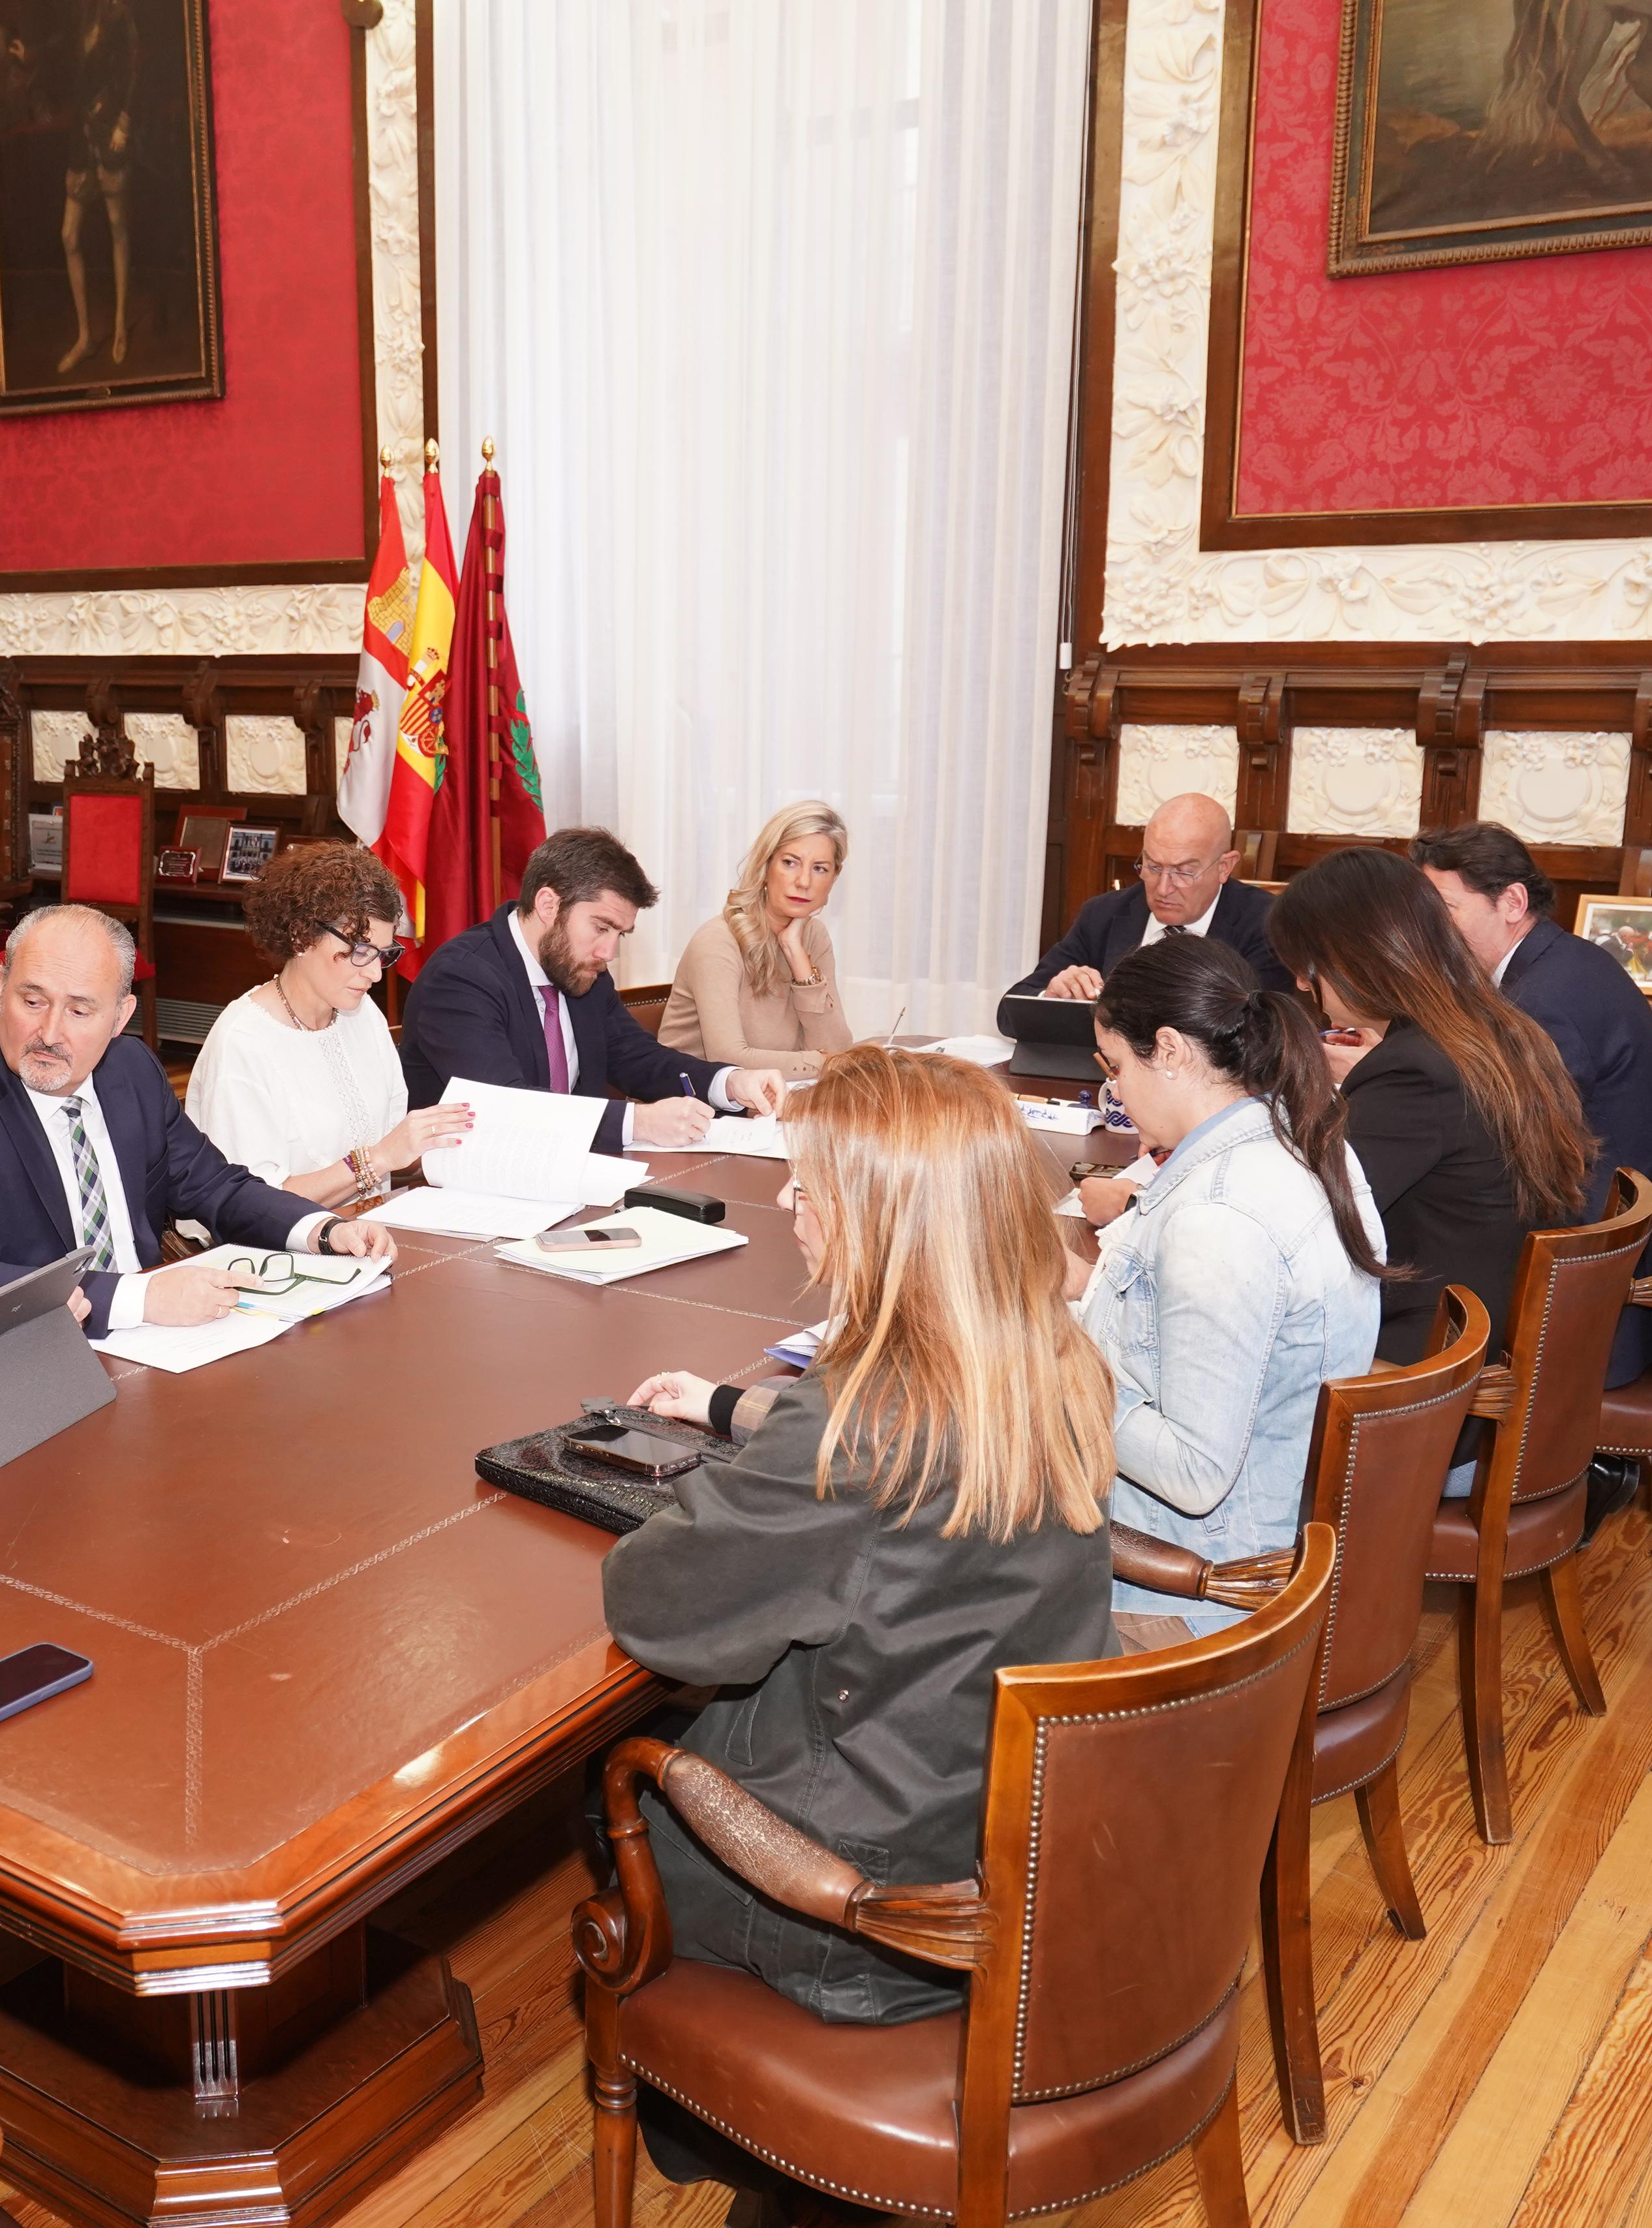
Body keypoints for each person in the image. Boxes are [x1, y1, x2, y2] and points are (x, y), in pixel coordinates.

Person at [612, 1046, 1116, 2179]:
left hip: (863, 1918)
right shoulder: (1049, 1357)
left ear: (881, 1219)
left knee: (608, 1785)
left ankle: (732, 2145)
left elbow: (656, 1606)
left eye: (809, 1187)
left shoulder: (858, 1420)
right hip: (1005, 1838)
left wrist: (722, 1489)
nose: (790, 1208)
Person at [1065, 936, 1384, 1639]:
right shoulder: (1301, 1140)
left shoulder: (1217, 1216)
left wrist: (1052, 1366)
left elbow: (1193, 1473)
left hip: (1186, 1593)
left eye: (1116, 1067)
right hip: (1264, 1543)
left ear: (1170, 1050)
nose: (1116, 1092)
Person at [0, 905, 395, 1333]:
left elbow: (216, 1186)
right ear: (0, 987)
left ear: (120, 1017)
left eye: (80, 1011)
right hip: (35, 1354)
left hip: (165, 1339)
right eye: (33, 1000)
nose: (49, 1032)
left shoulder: (130, 1070)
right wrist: (139, 1299)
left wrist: (321, 1231)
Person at [1268, 846, 1597, 1370]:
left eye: (1309, 967)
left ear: (1356, 957)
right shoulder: (1495, 1027)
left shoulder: (1417, 1071)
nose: (1304, 985)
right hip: (1483, 1319)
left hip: (1430, 1356)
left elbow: (1306, 1219)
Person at [1413, 822, 1652, 1387]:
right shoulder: (1563, 962)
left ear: (1512, 903)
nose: (1430, 931)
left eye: (1445, 910)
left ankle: (1434, 1416)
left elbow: (1509, 1139)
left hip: (1598, 1291)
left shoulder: (1541, 999)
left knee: (1420, 1237)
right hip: (1620, 1249)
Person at [400, 827, 788, 1153]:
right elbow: (506, 1107)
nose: (608, 952)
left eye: (620, 934)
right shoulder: (460, 979)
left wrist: (729, 1084)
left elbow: (638, 1059)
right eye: (601, 928)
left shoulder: (581, 968)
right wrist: (639, 1122)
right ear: (548, 905)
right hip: (468, 1185)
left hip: (571, 1173)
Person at [183, 843, 474, 1210]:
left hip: (372, 1222)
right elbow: (250, 1206)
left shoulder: (363, 1015)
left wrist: (447, 1140)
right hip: (281, 1240)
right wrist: (378, 1159)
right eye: (361, 951)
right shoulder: (243, 1042)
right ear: (301, 937)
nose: (374, 974)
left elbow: (393, 1147)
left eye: (383, 954)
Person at [1009, 790, 1293, 1001]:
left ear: (1224, 867)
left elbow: (1260, 1032)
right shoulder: (1104, 914)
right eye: (1153, 867)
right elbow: (1012, 1008)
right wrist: (1051, 997)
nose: (1163, 888)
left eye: (1183, 872)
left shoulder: (1267, 924)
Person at [657, 800, 857, 1077]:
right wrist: (824, 1062)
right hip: (694, 1098)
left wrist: (797, 956)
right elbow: (727, 1060)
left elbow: (837, 1047)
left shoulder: (814, 936)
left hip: (775, 1096)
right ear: (766, 866)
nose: (804, 882)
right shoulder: (717, 942)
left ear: (834, 878)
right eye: (790, 863)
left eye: (820, 868)